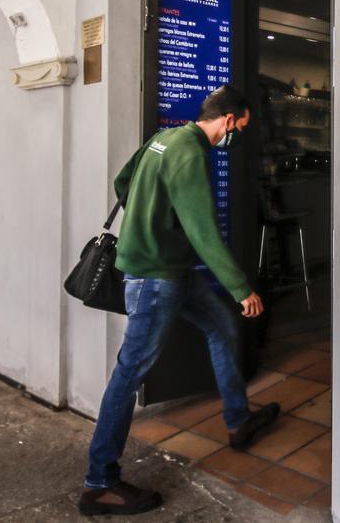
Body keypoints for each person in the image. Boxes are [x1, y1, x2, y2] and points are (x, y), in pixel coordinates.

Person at [79, 86, 279, 517]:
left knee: (220, 326)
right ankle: (99, 483)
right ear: (228, 121)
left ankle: (238, 419)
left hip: (174, 273)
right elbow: (203, 231)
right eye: (240, 129)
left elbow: (123, 182)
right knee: (129, 373)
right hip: (157, 280)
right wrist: (242, 288)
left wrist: (151, 223)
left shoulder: (162, 138)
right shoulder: (190, 153)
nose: (237, 137)